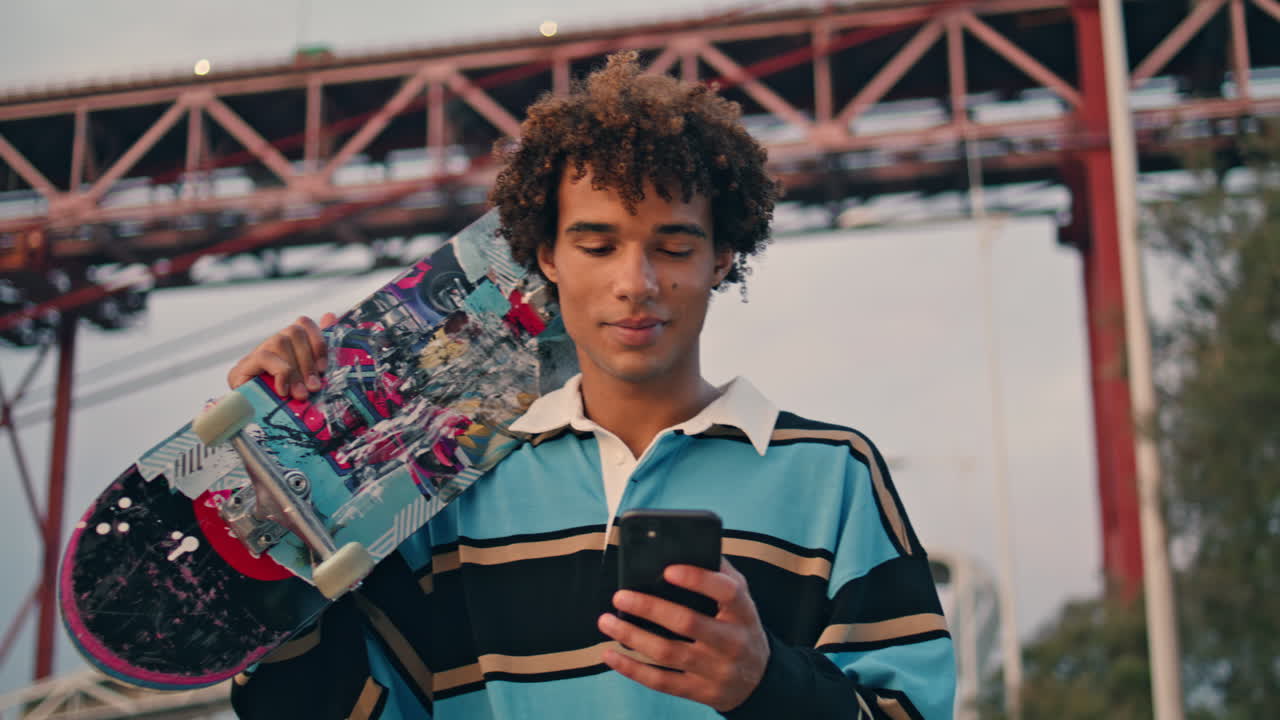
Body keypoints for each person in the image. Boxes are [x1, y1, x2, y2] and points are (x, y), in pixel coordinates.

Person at [226, 52, 955, 719]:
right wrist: (273, 505)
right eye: (598, 245)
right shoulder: (448, 496)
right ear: (547, 256)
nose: (635, 283)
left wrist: (765, 686)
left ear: (722, 258)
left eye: (674, 247)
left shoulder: (832, 473)